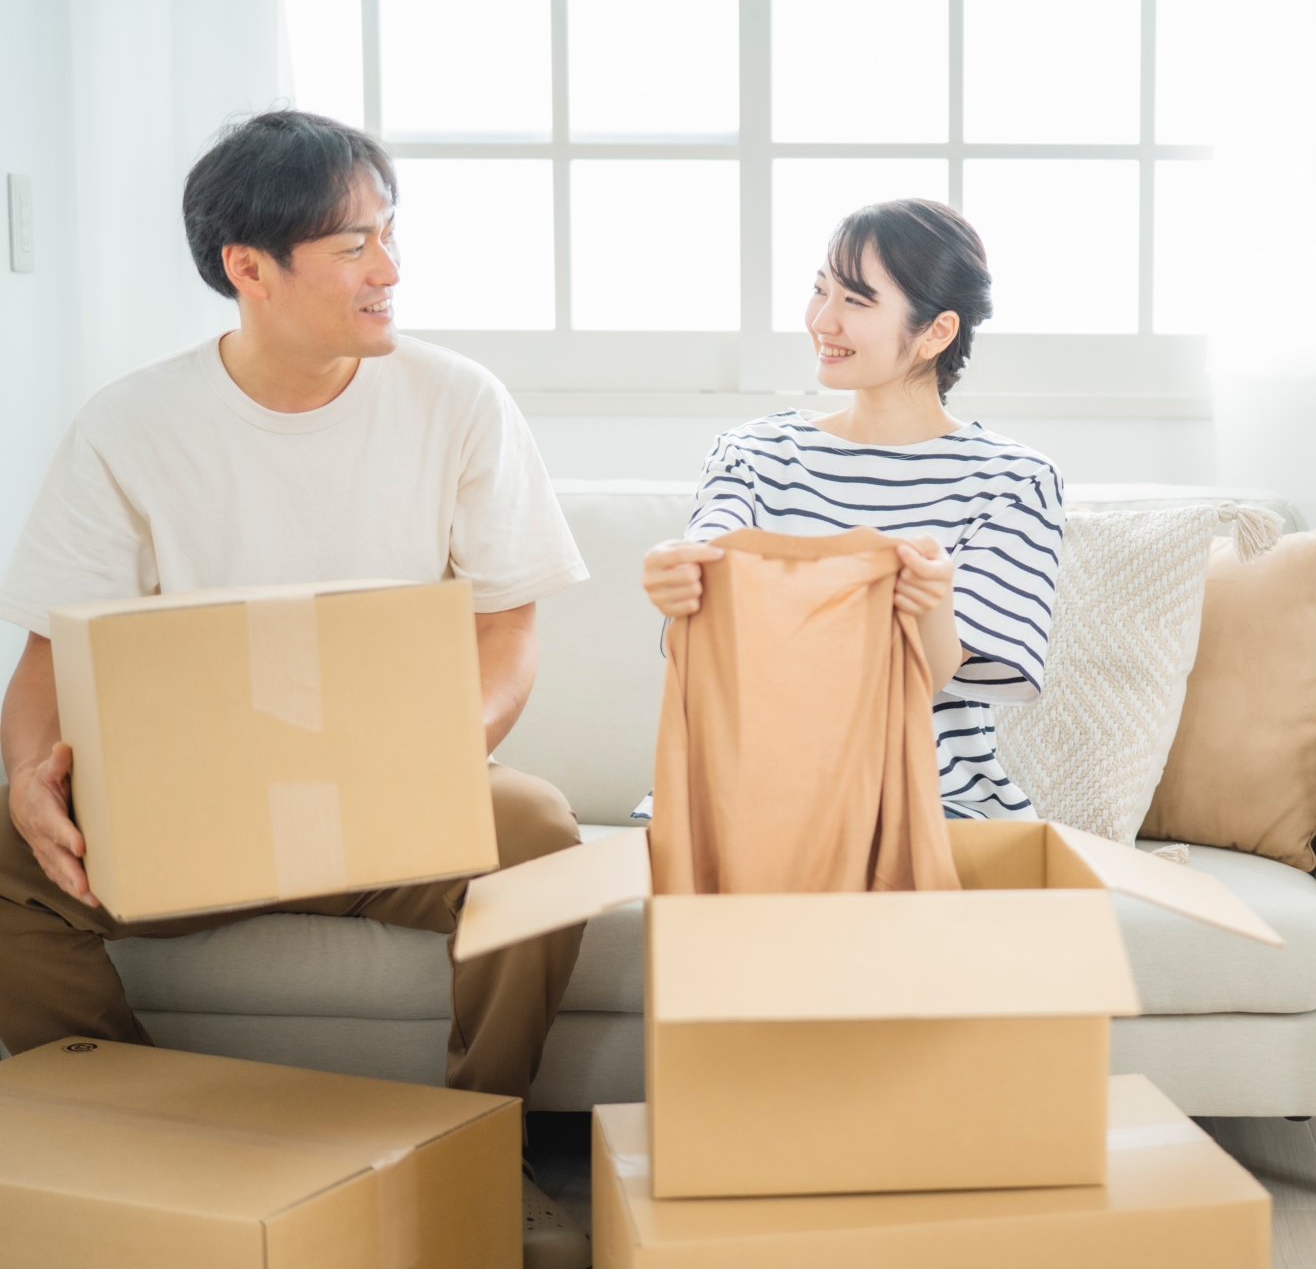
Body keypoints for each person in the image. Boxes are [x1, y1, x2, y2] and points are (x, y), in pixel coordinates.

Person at [0, 111, 591, 1267]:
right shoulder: (131, 424)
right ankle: (135, 1137)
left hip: (394, 806)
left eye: (390, 235)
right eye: (355, 245)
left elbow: (509, 625)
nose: (391, 270)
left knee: (544, 834)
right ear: (248, 267)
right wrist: (30, 777)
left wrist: (433, 750)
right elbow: (46, 657)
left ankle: (488, 1139)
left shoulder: (457, 400)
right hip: (193, 809)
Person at [639, 198, 1064, 823]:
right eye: (820, 290)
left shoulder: (1013, 481)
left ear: (936, 332)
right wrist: (676, 589)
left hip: (927, 806)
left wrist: (929, 600)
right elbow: (696, 651)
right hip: (748, 796)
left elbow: (931, 673)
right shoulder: (754, 454)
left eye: (856, 302)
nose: (822, 321)